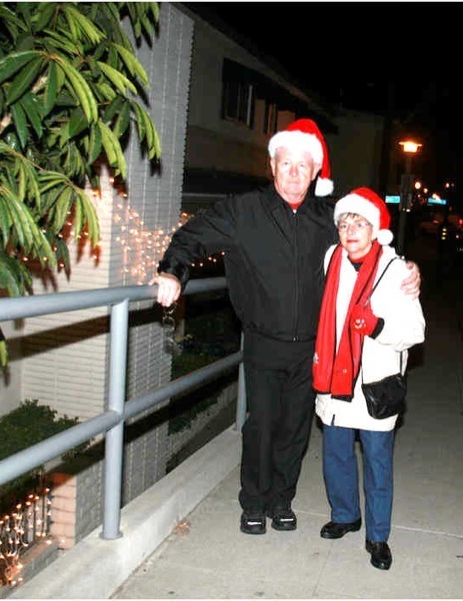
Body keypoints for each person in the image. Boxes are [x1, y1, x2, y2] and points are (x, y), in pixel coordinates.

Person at [152, 118, 421, 536]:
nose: (294, 174)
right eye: (286, 164)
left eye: (303, 166)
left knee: (296, 430)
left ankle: (282, 500)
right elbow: (192, 236)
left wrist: (408, 268)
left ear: (315, 173)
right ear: (272, 165)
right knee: (260, 425)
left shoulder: (326, 217)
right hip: (262, 341)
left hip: (313, 348)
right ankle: (254, 502)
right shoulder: (243, 211)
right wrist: (171, 272)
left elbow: (369, 241)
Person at [313, 187, 426, 571]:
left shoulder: (396, 271)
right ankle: (346, 514)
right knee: (336, 455)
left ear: (375, 230)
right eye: (345, 222)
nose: (350, 229)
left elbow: (415, 330)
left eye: (359, 222)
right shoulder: (332, 260)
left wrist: (376, 327)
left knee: (378, 463)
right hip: (334, 381)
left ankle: (378, 536)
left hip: (374, 386)